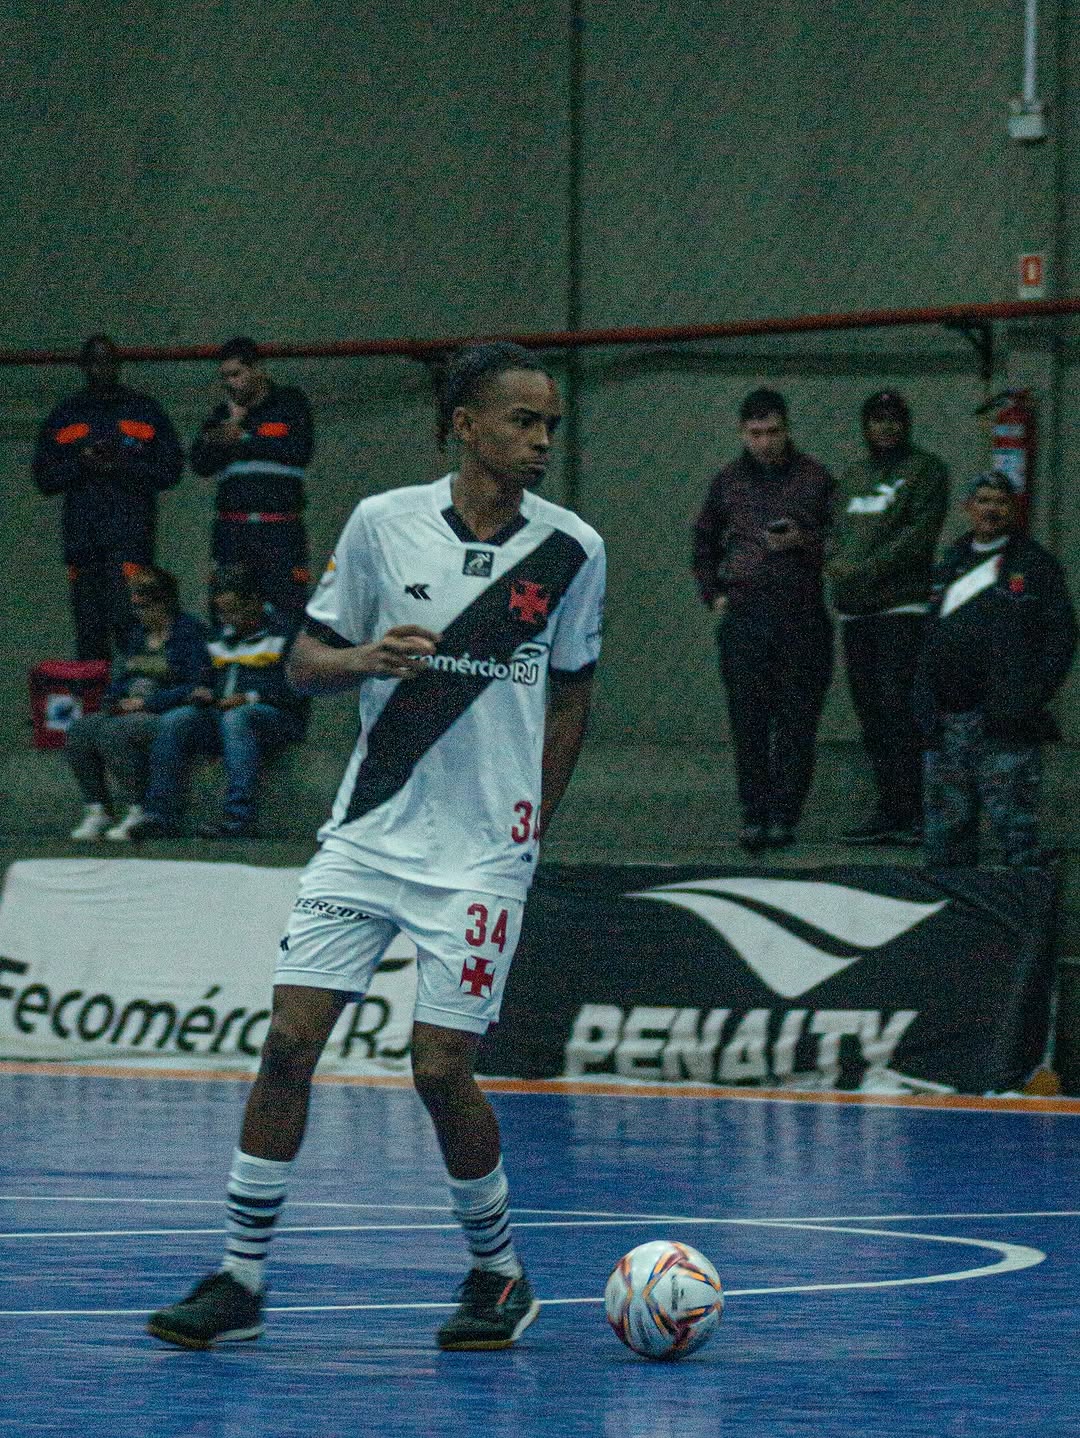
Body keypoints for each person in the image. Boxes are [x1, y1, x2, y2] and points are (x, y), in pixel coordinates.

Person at [146, 341, 605, 1352]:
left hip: (482, 855)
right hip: (369, 833)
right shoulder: (381, 523)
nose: (542, 439)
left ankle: (499, 1273)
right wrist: (363, 657)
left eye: (550, 424)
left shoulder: (573, 548)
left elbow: (573, 693)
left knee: (439, 1068)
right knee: (287, 1043)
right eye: (524, 420)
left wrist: (534, 816)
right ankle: (240, 1278)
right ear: (465, 425)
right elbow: (302, 663)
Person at [692, 387, 835, 852]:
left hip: (802, 615)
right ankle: (754, 814)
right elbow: (704, 540)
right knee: (748, 721)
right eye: (755, 434)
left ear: (786, 429)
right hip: (746, 615)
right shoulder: (728, 482)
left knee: (797, 722)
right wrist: (714, 594)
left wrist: (804, 541)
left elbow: (844, 541)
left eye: (772, 432)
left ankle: (784, 816)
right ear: (742, 433)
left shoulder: (816, 478)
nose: (765, 443)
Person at [914, 472, 1077, 867]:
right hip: (947, 722)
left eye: (1000, 501)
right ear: (968, 508)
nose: (991, 509)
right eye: (983, 500)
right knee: (946, 842)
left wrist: (1028, 696)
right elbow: (929, 636)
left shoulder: (1035, 565)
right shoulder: (950, 563)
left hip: (1005, 723)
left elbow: (1061, 638)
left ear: (1013, 509)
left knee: (1016, 836)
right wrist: (923, 699)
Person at [826, 391, 950, 845]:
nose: (885, 427)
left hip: (901, 610)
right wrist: (835, 565)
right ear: (865, 426)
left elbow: (918, 538)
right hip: (856, 614)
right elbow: (835, 534)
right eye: (877, 419)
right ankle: (890, 809)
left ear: (906, 423)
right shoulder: (852, 477)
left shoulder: (926, 471)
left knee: (901, 710)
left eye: (894, 418)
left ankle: (918, 811)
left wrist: (861, 570)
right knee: (872, 715)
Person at [32, 335, 184, 660]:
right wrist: (81, 463)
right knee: (89, 633)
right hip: (83, 545)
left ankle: (136, 690)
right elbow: (44, 478)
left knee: (133, 625)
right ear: (83, 366)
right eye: (94, 362)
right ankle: (94, 693)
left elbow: (171, 470)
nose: (101, 369)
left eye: (108, 361)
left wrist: (122, 464)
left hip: (130, 540)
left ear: (118, 365)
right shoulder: (66, 415)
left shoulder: (144, 411)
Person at [130, 566, 308, 840]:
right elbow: (206, 676)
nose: (228, 619)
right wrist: (204, 691)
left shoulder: (285, 634)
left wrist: (249, 697)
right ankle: (160, 815)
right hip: (221, 713)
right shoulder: (219, 636)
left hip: (273, 717)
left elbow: (296, 689)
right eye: (222, 612)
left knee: (238, 717)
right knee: (177, 720)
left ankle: (238, 818)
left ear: (255, 602)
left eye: (234, 610)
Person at [65, 567, 211, 841]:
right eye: (136, 607)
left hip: (164, 711)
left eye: (145, 606)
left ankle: (138, 807)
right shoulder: (138, 636)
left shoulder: (190, 633)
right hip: (129, 707)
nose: (139, 613)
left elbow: (195, 685)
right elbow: (123, 675)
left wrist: (147, 703)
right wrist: (114, 699)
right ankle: (98, 808)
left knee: (115, 732)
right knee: (81, 730)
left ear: (164, 602)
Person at [189, 337, 314, 619]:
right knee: (228, 612)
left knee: (286, 611)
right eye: (225, 377)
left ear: (257, 369)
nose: (230, 384)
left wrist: (243, 438)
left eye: (236, 374)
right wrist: (228, 429)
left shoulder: (290, 405)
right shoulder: (221, 416)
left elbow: (300, 450)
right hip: (232, 533)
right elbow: (199, 464)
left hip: (280, 531)